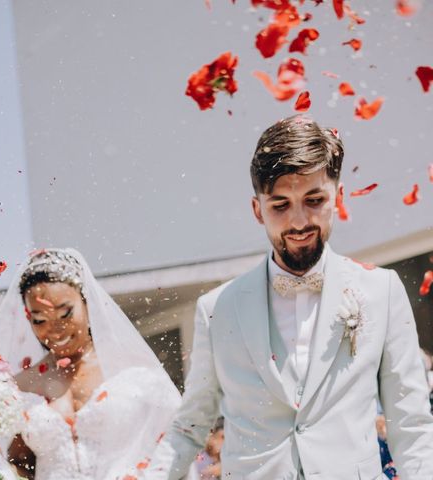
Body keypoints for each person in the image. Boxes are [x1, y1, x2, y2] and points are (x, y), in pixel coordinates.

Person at [148, 115, 433, 479]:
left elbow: (410, 424)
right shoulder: (216, 310)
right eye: (280, 205)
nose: (299, 221)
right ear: (257, 209)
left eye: (314, 200)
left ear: (338, 198)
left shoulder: (383, 291)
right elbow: (189, 429)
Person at [0, 248, 181, 479]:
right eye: (40, 319)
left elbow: (177, 444)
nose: (54, 328)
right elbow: (22, 464)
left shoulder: (134, 372)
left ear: (86, 302)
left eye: (65, 313)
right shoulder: (22, 386)